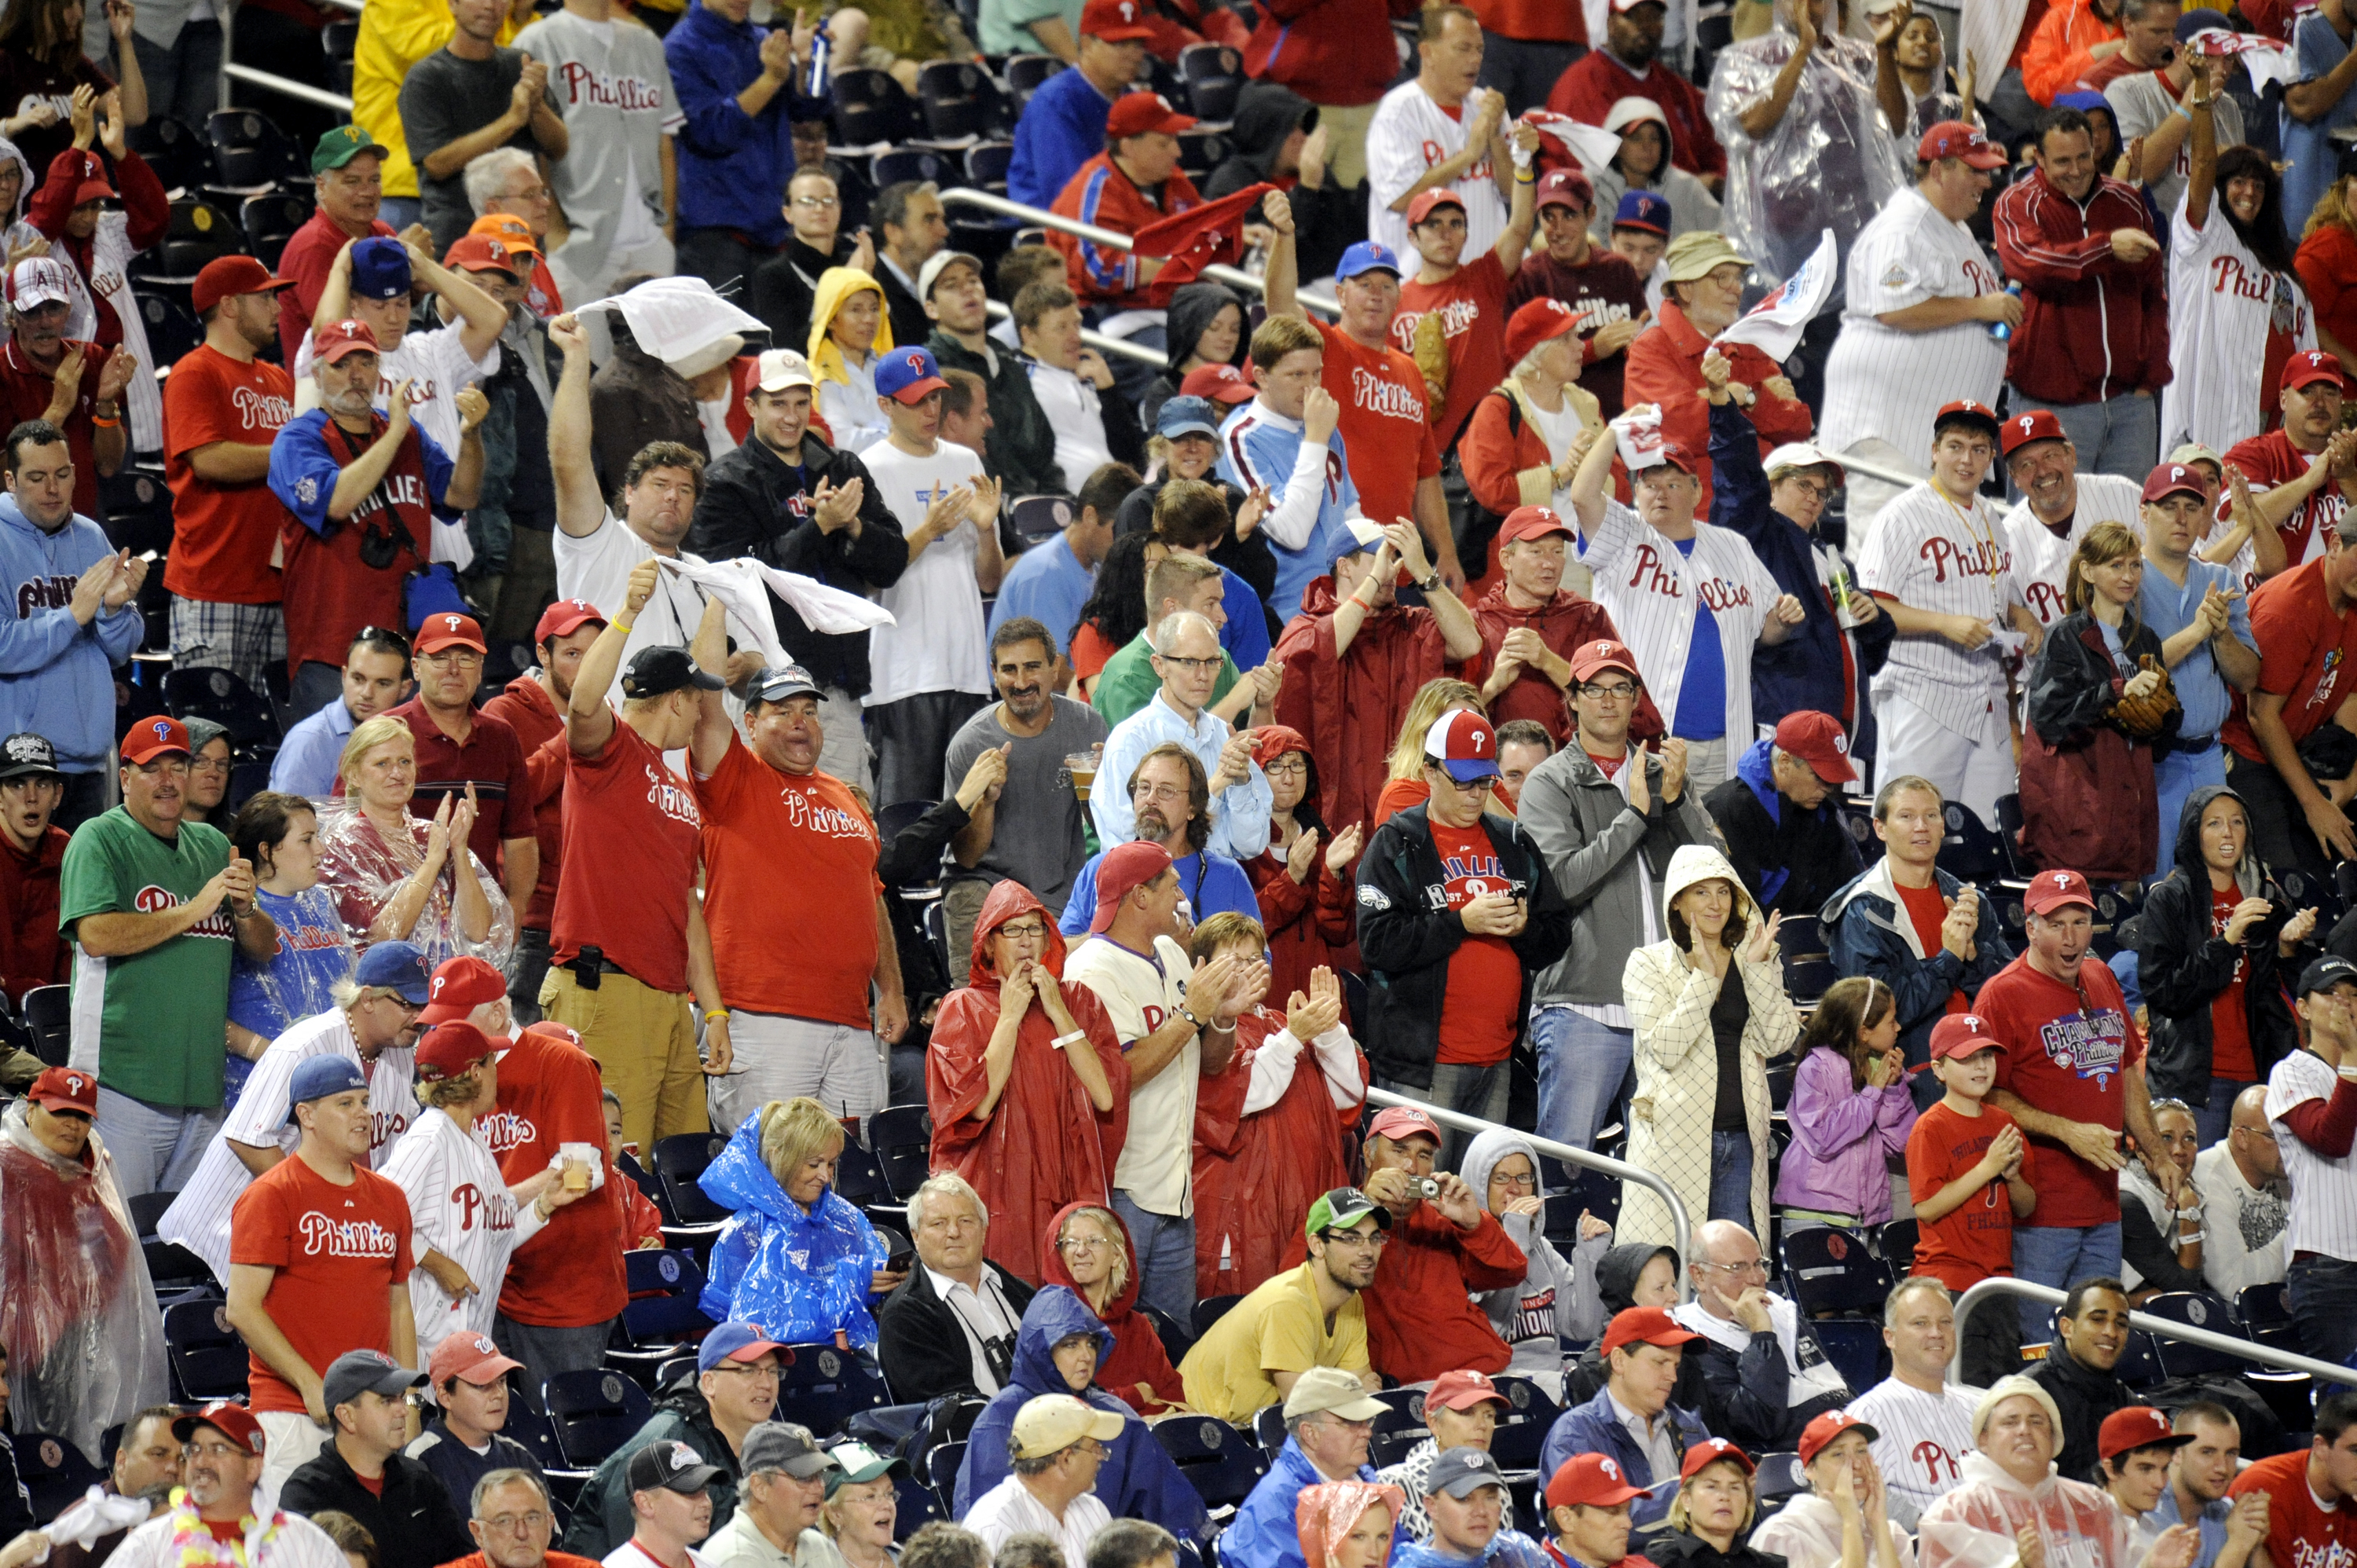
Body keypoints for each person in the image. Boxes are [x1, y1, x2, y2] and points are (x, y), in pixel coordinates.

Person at [538, 559, 727, 1145]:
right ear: (675, 701)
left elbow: (686, 906)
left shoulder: (677, 789)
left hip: (670, 1000)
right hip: (607, 988)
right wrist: (628, 612)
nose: (701, 714)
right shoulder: (609, 750)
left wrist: (713, 1011)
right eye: (698, 701)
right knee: (615, 1164)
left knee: (684, 1161)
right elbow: (582, 706)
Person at [61, 713, 275, 1196]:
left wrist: (245, 910)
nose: (166, 780)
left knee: (185, 1252)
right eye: (151, 767)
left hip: (202, 1089)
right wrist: (194, 908)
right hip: (121, 1085)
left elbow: (264, 949)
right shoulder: (99, 838)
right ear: (124, 777)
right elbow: (95, 934)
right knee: (118, 1247)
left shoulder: (214, 844)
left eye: (178, 766)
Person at [687, 657, 904, 1134]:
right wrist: (721, 594)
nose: (799, 723)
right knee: (771, 1171)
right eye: (782, 712)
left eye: (808, 710)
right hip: (765, 1015)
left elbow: (872, 897)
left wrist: (890, 988)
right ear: (749, 722)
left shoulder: (846, 797)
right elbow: (702, 702)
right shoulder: (735, 780)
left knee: (852, 1175)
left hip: (850, 1020)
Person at [1517, 639, 1715, 1152]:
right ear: (1573, 700)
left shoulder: (1663, 776)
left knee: (1665, 1178)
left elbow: (1712, 876)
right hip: (1585, 1007)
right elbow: (1561, 882)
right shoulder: (1549, 782)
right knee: (1566, 1165)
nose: (1608, 700)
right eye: (1595, 689)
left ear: (1635, 699)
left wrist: (1673, 805)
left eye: (1620, 688)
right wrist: (1634, 816)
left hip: (1667, 1013)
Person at [684, 346, 906, 794]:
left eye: (801, 402)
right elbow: (735, 578)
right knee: (762, 825)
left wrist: (853, 525)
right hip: (763, 692)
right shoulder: (726, 482)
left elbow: (892, 562)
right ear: (751, 406)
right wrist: (818, 527)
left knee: (844, 822)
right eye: (778, 403)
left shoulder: (844, 468)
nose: (792, 415)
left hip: (835, 689)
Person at [156, 940, 428, 1289]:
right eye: (408, 1003)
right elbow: (248, 1139)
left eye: (424, 1004)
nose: (419, 1016)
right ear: (368, 999)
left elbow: (384, 1153)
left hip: (301, 1233)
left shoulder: (400, 1053)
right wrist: (320, 1210)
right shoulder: (304, 1046)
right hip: (217, 1233)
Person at [1564, 407, 1802, 793]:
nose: (1660, 493)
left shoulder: (1733, 547)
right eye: (1650, 483)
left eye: (1673, 484)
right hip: (1645, 743)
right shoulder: (1626, 537)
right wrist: (1614, 432)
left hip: (1729, 744)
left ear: (1697, 492)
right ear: (1635, 492)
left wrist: (1782, 621)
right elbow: (1582, 496)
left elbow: (1765, 633)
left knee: (1717, 852)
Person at [1976, 867, 2170, 1335]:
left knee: (2098, 1344)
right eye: (2056, 924)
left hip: (2104, 1205)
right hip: (2040, 1212)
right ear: (2031, 928)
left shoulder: (2101, 976)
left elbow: (2125, 1071)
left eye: (2080, 922)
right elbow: (1987, 1092)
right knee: (2040, 1347)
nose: (2070, 937)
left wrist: (2157, 1152)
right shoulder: (2001, 995)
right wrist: (2067, 1130)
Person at [267, 316, 487, 719]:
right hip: (331, 655)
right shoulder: (299, 439)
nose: (356, 375)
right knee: (329, 779)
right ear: (317, 372)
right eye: (340, 364)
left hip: (404, 654)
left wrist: (471, 437)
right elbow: (336, 501)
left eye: (366, 362)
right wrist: (394, 433)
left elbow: (461, 496)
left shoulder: (406, 433)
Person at [225, 1054, 420, 1498]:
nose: (362, 1114)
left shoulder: (390, 1198)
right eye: (346, 1103)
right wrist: (311, 1384)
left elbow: (399, 1305)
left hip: (372, 1416)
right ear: (306, 1115)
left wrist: (410, 1402)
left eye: (365, 1101)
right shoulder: (272, 1195)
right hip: (293, 1412)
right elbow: (242, 1308)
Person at [1852, 402, 2035, 825]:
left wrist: (2019, 614)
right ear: (1934, 450)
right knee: (1912, 826)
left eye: (1978, 448)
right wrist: (1943, 624)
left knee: (1987, 836)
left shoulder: (1992, 517)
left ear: (1991, 458)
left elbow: (1990, 591)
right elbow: (1871, 607)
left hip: (1986, 698)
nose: (1966, 459)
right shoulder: (1901, 515)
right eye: (1955, 446)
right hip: (1924, 695)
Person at [1816, 124, 2012, 496]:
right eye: (1974, 170)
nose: (1986, 182)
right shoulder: (1903, 228)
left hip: (1923, 435)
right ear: (1938, 170)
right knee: (1884, 546)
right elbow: (1893, 308)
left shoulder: (1951, 227)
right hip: (1889, 431)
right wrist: (1979, 307)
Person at [1619, 844, 1801, 1242]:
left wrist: (1757, 970)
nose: (1715, 903)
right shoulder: (1647, 963)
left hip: (1741, 1140)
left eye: (1723, 891)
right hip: (1673, 1141)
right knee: (1672, 1266)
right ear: (1678, 903)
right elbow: (1667, 1048)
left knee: (1731, 1272)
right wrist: (1703, 978)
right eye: (1701, 892)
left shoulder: (1753, 956)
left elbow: (1777, 1040)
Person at [1192, 914, 1365, 1301]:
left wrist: (1330, 1032)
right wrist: (1295, 1037)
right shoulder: (1201, 1036)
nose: (1251, 969)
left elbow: (1346, 1100)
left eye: (1258, 959)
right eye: (1236, 961)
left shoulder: (1286, 1023)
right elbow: (1235, 1097)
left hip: (1307, 1198)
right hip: (1242, 1215)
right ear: (1203, 970)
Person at [0, 1064, 166, 1466]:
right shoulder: (5, 1165)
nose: (73, 1126)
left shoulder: (97, 1167)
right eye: (61, 1112)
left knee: (70, 1452)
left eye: (82, 1116)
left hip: (74, 1333)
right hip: (7, 1341)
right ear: (30, 1107)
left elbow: (113, 1249)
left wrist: (78, 1309)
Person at [1705, 406, 1892, 762]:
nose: (1815, 498)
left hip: (1845, 737)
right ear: (1770, 486)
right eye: (1803, 484)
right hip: (1786, 727)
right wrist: (1723, 408)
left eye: (1822, 493)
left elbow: (1867, 659)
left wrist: (1875, 620)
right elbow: (1737, 486)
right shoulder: (1758, 540)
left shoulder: (1835, 563)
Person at [1273, 522, 1485, 834]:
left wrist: (1425, 572)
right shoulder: (1306, 627)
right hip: (1333, 809)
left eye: (1396, 557)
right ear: (1344, 566)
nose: (1392, 569)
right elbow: (1317, 652)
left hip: (1406, 804)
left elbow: (1470, 643)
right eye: (1381, 556)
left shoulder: (1412, 626)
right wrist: (1373, 581)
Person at [862, 344, 1004, 808]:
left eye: (935, 396)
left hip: (965, 665)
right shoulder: (869, 469)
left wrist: (986, 533)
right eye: (916, 400)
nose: (931, 409)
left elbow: (989, 580)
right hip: (902, 670)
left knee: (967, 810)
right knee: (905, 813)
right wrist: (929, 530)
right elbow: (869, 580)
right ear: (885, 405)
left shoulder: (966, 462)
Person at [951, 1288, 1208, 1545]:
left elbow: (1174, 1510)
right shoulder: (1000, 1420)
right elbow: (983, 1538)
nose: (1086, 1356)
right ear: (1041, 1348)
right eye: (1071, 1344)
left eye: (1091, 1344)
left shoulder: (1116, 1415)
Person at [1990, 112, 2165, 482]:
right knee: (2044, 530)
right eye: (2062, 161)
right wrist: (2105, 248)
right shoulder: (2017, 203)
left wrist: (2150, 378)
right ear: (2038, 158)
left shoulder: (2127, 202)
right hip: (2050, 404)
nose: (2076, 170)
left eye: (2083, 157)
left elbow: (2154, 293)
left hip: (2128, 406)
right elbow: (2034, 263)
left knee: (2128, 528)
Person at [384, 1020, 581, 1337]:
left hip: (468, 1334)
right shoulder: (428, 1139)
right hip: (424, 1338)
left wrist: (543, 1205)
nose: (497, 1072)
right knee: (420, 1390)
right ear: (475, 1073)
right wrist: (437, 1264)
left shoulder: (474, 1138)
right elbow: (381, 1219)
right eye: (492, 1062)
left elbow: (497, 1239)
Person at [2139, 789, 2306, 1149]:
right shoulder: (2168, 899)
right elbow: (2164, 992)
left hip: (2259, 1076)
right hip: (2197, 1083)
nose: (2228, 833)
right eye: (2214, 823)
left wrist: (2287, 949)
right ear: (2194, 834)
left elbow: (2281, 991)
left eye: (2237, 822)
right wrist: (2226, 942)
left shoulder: (2265, 897)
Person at [162, 255, 297, 694]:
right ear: (230, 306)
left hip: (278, 589)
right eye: (266, 298)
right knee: (208, 740)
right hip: (214, 590)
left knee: (272, 742)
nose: (278, 308)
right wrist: (290, 454)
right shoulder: (194, 372)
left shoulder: (279, 379)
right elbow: (210, 460)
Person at [1823, 777, 2014, 1085]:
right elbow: (1875, 1017)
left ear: (1942, 827)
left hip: (1984, 1063)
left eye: (1931, 816)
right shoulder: (1862, 910)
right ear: (1880, 828)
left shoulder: (1970, 900)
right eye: (1906, 816)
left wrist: (1974, 954)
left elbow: (2007, 993)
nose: (1921, 826)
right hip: (1909, 1078)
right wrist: (1950, 957)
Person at [2166, 75, 2314, 460]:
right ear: (2220, 186)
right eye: (2238, 182)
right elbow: (2201, 164)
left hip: (2275, 425)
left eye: (2259, 186)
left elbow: (2306, 353)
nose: (2249, 192)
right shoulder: (2206, 240)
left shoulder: (2282, 269)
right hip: (2209, 419)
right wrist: (2200, 98)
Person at [943, 621, 1109, 963]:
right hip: (982, 888)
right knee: (982, 1006)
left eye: (1032, 667)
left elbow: (1107, 827)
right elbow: (966, 858)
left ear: (1055, 668)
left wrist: (1102, 788)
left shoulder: (1087, 726)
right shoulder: (969, 744)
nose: (1021, 683)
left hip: (1057, 891)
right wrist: (987, 802)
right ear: (994, 674)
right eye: (1009, 670)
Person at [2020, 523, 2177, 880]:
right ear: (2088, 571)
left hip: (2130, 812)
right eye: (2116, 565)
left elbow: (2163, 744)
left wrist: (2167, 714)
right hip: (2078, 817)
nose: (2128, 576)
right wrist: (2117, 692)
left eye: (2135, 565)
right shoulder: (2065, 636)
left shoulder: (2145, 639)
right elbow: (2049, 718)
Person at [0, 414, 136, 816]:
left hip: (89, 760)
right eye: (37, 477)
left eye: (61, 474)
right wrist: (72, 616)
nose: (53, 489)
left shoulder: (91, 536)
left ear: (75, 474)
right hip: (19, 767)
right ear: (10, 481)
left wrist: (113, 611)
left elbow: (122, 650)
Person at [1917, 1377, 2202, 1568]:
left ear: (2055, 1439)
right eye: (2010, 1422)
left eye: (2037, 1421)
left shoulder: (2094, 1505)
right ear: (1983, 1439)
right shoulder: (1952, 1515)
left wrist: (2153, 1564)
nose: (2024, 1430)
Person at [564, 1322, 787, 1558]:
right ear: (710, 1383)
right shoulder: (667, 1443)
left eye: (773, 1371)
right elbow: (634, 1549)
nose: (765, 1383)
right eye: (748, 1371)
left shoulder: (770, 1444)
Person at [2137, 465, 2262, 881]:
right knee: (2162, 887)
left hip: (2210, 756)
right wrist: (2197, 632)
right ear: (2144, 512)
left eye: (2192, 507)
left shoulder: (2220, 579)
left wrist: (2223, 634)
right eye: (2168, 506)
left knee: (2218, 883)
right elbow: (2128, 671)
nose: (2181, 517)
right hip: (2153, 762)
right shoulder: (2127, 583)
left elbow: (2247, 678)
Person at [1622, 235, 1812, 507]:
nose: (1736, 289)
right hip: (1697, 515)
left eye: (1738, 278)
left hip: (1764, 508)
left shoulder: (1746, 341)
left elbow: (1797, 426)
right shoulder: (1650, 349)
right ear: (1686, 288)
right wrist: (1735, 399)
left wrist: (1747, 397)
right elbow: (1678, 435)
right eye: (1722, 277)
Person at [511, 0, 680, 300]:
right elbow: (530, 146)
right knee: (581, 347)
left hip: (650, 241)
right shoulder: (536, 40)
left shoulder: (647, 42)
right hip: (580, 244)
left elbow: (664, 142)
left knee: (653, 348)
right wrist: (554, 231)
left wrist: (666, 230)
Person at [1904, 1014, 2036, 1389]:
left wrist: (2011, 1177)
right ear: (1939, 1069)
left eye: (1987, 1056)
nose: (1981, 1066)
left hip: (1999, 1282)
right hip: (1950, 1282)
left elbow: (2026, 1207)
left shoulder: (2003, 1121)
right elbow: (1927, 1207)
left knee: (2001, 1394)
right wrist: (1988, 1166)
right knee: (1963, 1390)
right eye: (1966, 1058)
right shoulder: (1931, 1127)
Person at [696, 1097, 894, 1347]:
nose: (825, 1176)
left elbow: (869, 1283)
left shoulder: (846, 1217)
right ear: (777, 1155)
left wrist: (882, 1282)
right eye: (814, 1164)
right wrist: (850, 1282)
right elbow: (758, 1329)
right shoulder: (746, 1231)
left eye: (831, 1164)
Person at [1216, 314, 1374, 627]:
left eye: (1317, 373)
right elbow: (1293, 533)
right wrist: (1315, 438)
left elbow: (1348, 512)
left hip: (1345, 606)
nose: (1311, 387)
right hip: (1290, 615)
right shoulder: (1241, 437)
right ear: (1261, 376)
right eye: (1297, 375)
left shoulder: (1324, 426)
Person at [1177, 1186, 1386, 1421]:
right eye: (1351, 1239)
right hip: (1197, 1427)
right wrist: (1347, 1391)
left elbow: (1364, 1389)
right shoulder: (1288, 1302)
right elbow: (1303, 1409)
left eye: (1375, 1238)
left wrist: (1345, 1392)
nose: (1368, 1251)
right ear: (1317, 1245)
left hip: (1253, 1427)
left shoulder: (1351, 1300)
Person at [313, 716, 508, 965]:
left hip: (445, 990)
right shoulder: (342, 847)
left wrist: (458, 850)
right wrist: (431, 864)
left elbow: (479, 931)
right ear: (354, 775)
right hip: (386, 995)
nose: (397, 773)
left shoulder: (429, 835)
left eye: (405, 762)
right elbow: (382, 937)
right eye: (382, 763)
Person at [663, 0, 820, 295]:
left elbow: (809, 109)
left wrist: (807, 63)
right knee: (723, 340)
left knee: (780, 340)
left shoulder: (764, 41)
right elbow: (711, 132)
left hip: (775, 226)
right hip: (715, 230)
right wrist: (770, 80)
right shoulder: (679, 48)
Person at [1094, 610, 1273, 862]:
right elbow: (1135, 846)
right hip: (1155, 890)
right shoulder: (1131, 740)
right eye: (1189, 662)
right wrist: (1217, 784)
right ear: (1159, 666)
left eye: (1212, 662)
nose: (1203, 675)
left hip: (1219, 885)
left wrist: (1241, 781)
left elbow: (1250, 845)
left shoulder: (1223, 734)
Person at [400, 0, 566, 258]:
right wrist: (512, 120)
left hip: (523, 245)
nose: (490, 6)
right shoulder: (427, 77)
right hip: (458, 245)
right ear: (452, 5)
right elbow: (436, 162)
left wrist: (537, 107)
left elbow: (559, 147)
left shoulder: (518, 64)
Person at [281, 1350, 475, 1568]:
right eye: (386, 1401)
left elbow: (460, 1560)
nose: (403, 1410)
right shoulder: (308, 1493)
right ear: (347, 1416)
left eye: (402, 1398)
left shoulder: (421, 1482)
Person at [1673, 1219, 1853, 1451]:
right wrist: (1762, 1335)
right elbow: (1758, 1424)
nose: (1755, 1278)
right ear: (1698, 1276)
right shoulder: (1691, 1338)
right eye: (1737, 1267)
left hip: (1843, 1430)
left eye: (1758, 1264)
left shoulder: (1780, 1308)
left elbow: (1833, 1384)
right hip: (1789, 1458)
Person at [104, 1405, 347, 1568]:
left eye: (218, 1450)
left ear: (253, 1467)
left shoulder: (304, 1542)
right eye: (194, 1449)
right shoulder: (149, 1543)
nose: (201, 1462)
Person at [2260, 956, 2357, 1360]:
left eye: (2354, 995)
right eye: (2332, 994)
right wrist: (2351, 1055)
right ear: (2302, 1008)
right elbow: (2330, 1138)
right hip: (2326, 1265)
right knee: (2345, 1408)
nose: (2345, 1004)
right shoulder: (2291, 1071)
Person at [876, 1173, 1039, 1404]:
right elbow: (953, 1410)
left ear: (984, 1230)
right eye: (938, 1223)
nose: (954, 1232)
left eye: (965, 1221)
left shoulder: (1021, 1293)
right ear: (916, 1236)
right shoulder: (904, 1317)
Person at [1540, 1306, 1710, 1526]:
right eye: (1660, 1363)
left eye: (1676, 1365)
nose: (1673, 1377)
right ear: (1619, 1361)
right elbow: (1589, 1522)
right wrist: (1690, 1496)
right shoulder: (1575, 1433)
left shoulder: (1690, 1426)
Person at [1773, 976, 1917, 1230]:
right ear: (1863, 1031)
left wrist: (1893, 1089)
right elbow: (1824, 1138)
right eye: (1891, 1021)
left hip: (1864, 1219)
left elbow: (1902, 1144)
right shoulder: (1815, 1068)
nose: (1899, 1028)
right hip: (1813, 1214)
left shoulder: (1880, 1067)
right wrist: (1872, 1093)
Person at [1846, 1280, 1986, 1530]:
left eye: (1945, 1322)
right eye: (1920, 1323)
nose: (1936, 1332)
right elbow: (1854, 1493)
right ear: (1890, 1337)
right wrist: (1928, 1528)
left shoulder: (1979, 1408)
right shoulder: (1869, 1413)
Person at [0, 256, 130, 523]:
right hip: (16, 533)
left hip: (83, 523)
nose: (45, 322)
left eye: (54, 308)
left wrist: (105, 404)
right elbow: (5, 482)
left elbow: (108, 466)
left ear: (69, 310)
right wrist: (58, 408)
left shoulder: (92, 359)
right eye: (32, 311)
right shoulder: (2, 372)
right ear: (12, 317)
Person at [924, 250, 1062, 500]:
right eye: (951, 285)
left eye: (973, 281)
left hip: (1032, 504)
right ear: (931, 308)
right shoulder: (931, 371)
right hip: (977, 503)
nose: (968, 290)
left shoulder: (1010, 364)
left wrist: (1057, 499)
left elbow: (1044, 449)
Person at [1545, 0, 1725, 192]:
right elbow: (1609, 172)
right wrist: (1691, 189)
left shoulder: (1673, 86)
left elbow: (1714, 150)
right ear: (1611, 24)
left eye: (1653, 18)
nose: (1645, 27)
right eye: (1634, 18)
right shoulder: (1583, 84)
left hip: (1691, 207)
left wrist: (1720, 181)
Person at [1705, 712, 1867, 925]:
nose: (1827, 789)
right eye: (1820, 777)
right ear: (1785, 762)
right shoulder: (1728, 810)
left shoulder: (1824, 815)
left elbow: (1844, 892)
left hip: (1800, 942)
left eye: (1833, 780)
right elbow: (1728, 910)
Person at [1223, 1368, 1391, 1568]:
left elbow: (1401, 1555)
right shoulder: (1274, 1509)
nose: (1367, 1432)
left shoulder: (1366, 1482)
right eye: (1352, 1422)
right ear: (1310, 1433)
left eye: (1367, 1421)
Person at [1006, 0, 1155, 210]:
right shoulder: (1056, 101)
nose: (1134, 55)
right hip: (1051, 227)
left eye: (1138, 44)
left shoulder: (1133, 99)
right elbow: (1069, 194)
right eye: (1120, 44)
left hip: (1114, 214)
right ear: (1086, 44)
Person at [1043, 1203, 1184, 1414]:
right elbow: (1063, 1410)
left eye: (1094, 1241)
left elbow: (1174, 1399)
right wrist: (1134, 1396)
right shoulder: (1046, 1325)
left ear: (1116, 1255)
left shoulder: (1138, 1327)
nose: (1081, 1251)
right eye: (1070, 1242)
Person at [276, 128, 400, 368]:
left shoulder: (383, 234)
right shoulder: (313, 245)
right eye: (352, 182)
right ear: (321, 186)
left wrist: (421, 268)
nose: (367, 191)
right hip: (326, 393)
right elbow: (337, 336)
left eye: (374, 180)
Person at [961, 1394, 1120, 1563]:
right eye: (1095, 1448)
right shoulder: (994, 1525)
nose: (1101, 1456)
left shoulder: (1094, 1510)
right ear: (1066, 1459)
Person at [1749, 1411, 1915, 1568]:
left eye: (1861, 1451)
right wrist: (1851, 1523)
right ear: (1811, 1469)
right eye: (1838, 1454)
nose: (1856, 1464)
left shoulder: (1893, 1536)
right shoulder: (1781, 1535)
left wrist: (1879, 1526)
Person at [405, 1332, 540, 1510]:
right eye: (481, 1385)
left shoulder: (521, 1458)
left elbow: (550, 1535)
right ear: (445, 1396)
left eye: (502, 1381)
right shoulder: (420, 1461)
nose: (498, 1394)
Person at [272, 628, 413, 799]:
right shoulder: (309, 742)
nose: (367, 693)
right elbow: (289, 822)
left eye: (383, 683)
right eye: (358, 679)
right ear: (344, 676)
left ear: (405, 689)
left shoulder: (408, 737)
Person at [2022, 1278, 2135, 1483]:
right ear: (2066, 1328)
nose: (2111, 1332)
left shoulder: (2128, 1402)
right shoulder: (2029, 1396)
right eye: (2098, 1319)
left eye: (2121, 1324)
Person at [748, 170, 863, 365]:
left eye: (828, 201)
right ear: (788, 213)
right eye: (808, 202)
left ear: (840, 210)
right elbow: (789, 351)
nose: (820, 209)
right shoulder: (772, 275)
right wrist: (846, 284)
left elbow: (890, 335)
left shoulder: (857, 262)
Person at [1584, 99, 1725, 253]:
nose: (1647, 147)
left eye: (1654, 139)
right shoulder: (1588, 186)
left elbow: (1725, 237)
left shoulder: (1686, 187)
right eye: (1636, 138)